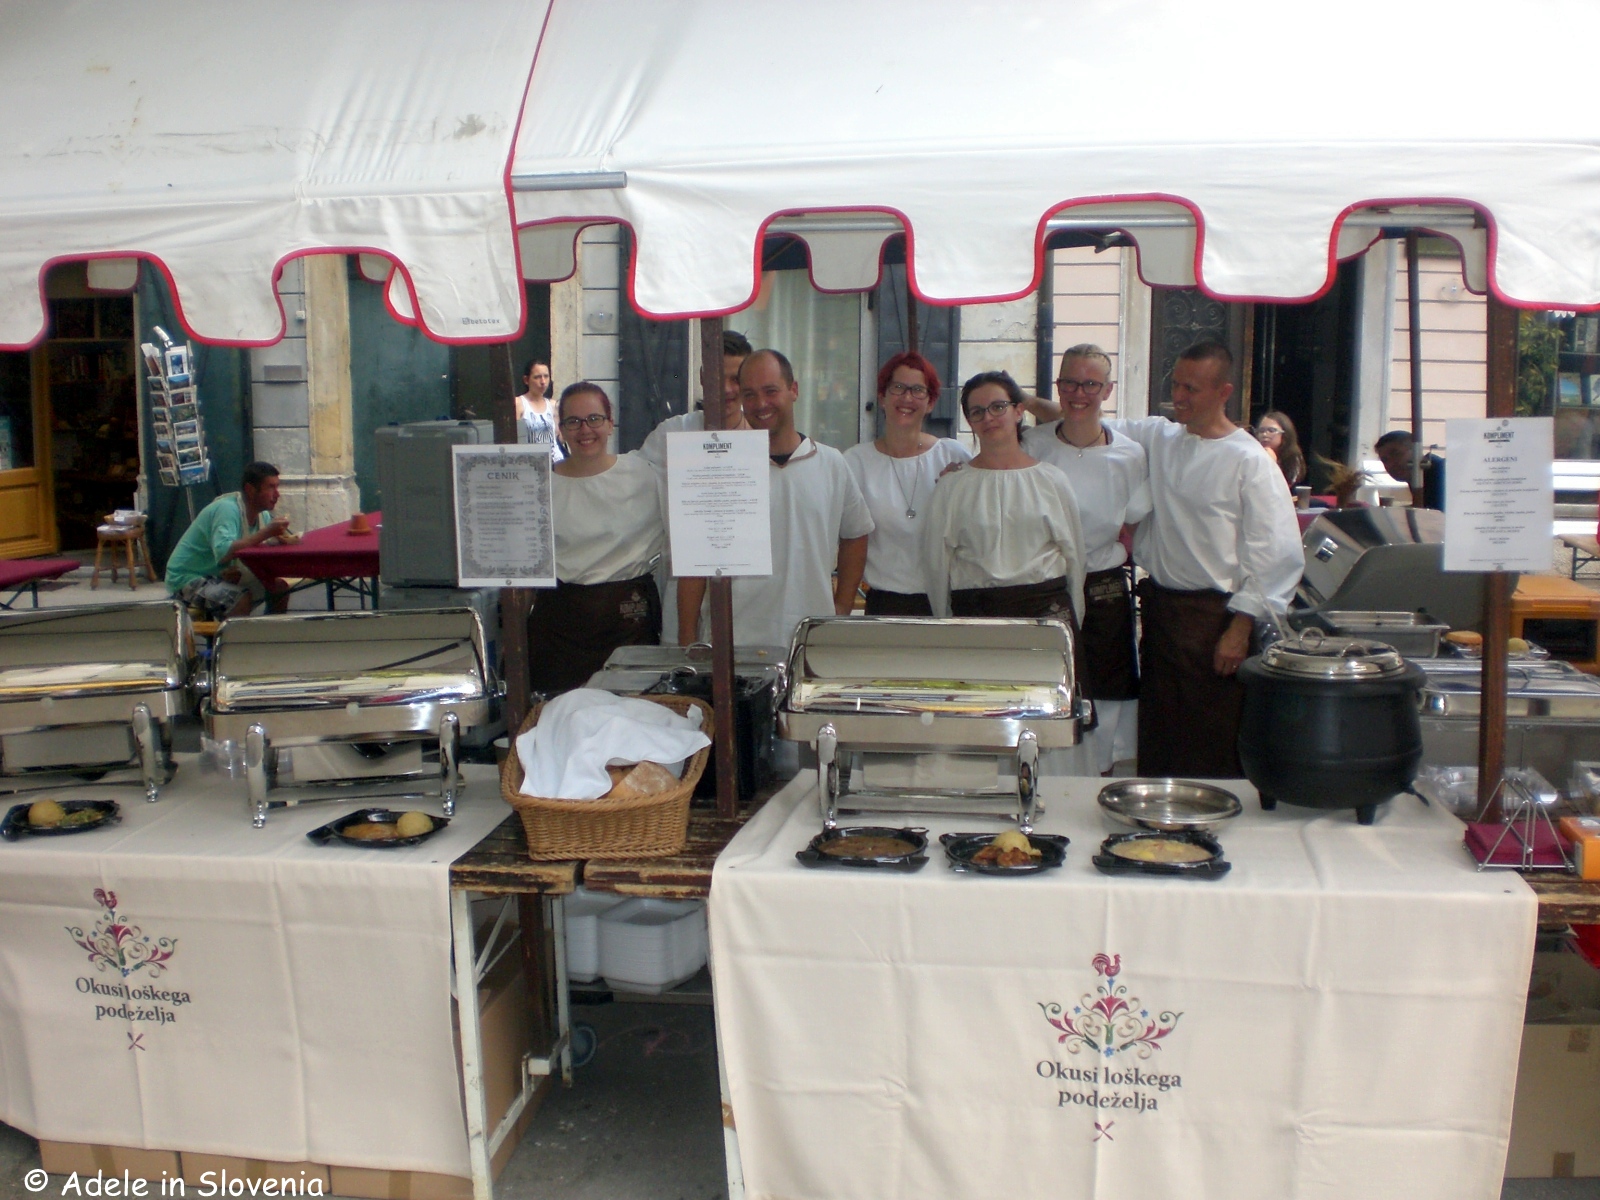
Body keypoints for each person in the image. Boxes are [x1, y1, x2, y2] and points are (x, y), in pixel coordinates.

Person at [1107, 341, 1303, 778]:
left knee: (1213, 740)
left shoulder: (1249, 460)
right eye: (1176, 385)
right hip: (1163, 615)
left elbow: (1275, 554)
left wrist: (1240, 628)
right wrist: (1023, 404)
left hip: (1217, 619)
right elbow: (1085, 424)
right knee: (1161, 737)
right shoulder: (1161, 437)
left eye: (1191, 389)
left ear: (1223, 392)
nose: (1178, 396)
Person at [676, 349, 872, 650]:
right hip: (733, 645)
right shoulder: (719, 467)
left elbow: (856, 533)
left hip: (810, 642)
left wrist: (842, 606)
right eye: (750, 394)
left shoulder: (831, 463)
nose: (761, 404)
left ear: (793, 390)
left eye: (771, 391)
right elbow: (695, 564)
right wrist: (687, 640)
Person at [1021, 345, 1150, 774]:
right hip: (1046, 582)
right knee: (1049, 687)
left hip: (1103, 581)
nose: (1079, 393)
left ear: (1108, 390)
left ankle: (1102, 776)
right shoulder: (1032, 444)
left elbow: (1134, 519)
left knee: (1107, 687)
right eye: (1070, 383)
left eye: (1090, 384)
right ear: (1058, 386)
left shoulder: (1130, 454)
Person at [528, 383, 665, 695]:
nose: (584, 429)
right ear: (561, 429)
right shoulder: (539, 486)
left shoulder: (644, 474)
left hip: (628, 621)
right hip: (559, 626)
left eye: (594, 419)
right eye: (573, 421)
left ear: (610, 423)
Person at [922, 371, 1086, 628]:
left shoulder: (1052, 481)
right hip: (976, 616)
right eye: (978, 412)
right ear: (970, 421)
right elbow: (937, 566)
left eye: (998, 407)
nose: (988, 417)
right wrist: (946, 625)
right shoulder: (952, 487)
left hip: (1046, 612)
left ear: (1018, 411)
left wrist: (1073, 624)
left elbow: (1075, 559)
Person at [843, 351, 972, 614]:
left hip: (949, 603)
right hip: (885, 604)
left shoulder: (953, 456)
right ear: (882, 397)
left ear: (931, 402)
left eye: (918, 390)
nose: (907, 398)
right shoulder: (856, 462)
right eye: (898, 388)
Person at [164, 461, 298, 618]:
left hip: (220, 576)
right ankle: (235, 634)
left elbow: (259, 547)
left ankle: (269, 631)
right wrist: (266, 533)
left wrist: (277, 542)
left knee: (279, 588)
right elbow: (223, 552)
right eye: (270, 487)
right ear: (250, 490)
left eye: (277, 487)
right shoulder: (227, 510)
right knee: (239, 598)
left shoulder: (263, 515)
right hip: (188, 578)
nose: (277, 494)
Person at [640, 331, 753, 469]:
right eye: (718, 378)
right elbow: (635, 473)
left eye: (736, 379)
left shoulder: (760, 436)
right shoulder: (672, 433)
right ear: (702, 377)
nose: (726, 389)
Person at [1374, 429, 1445, 509]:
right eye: (1385, 460)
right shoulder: (1418, 478)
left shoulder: (1441, 472)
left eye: (1396, 454)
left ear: (1416, 450)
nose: (1391, 464)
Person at [515, 359, 564, 463]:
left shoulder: (553, 405)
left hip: (556, 461)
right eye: (537, 377)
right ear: (526, 380)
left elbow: (559, 437)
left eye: (546, 376)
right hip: (530, 462)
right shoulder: (519, 403)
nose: (543, 382)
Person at [1255, 410, 1305, 488]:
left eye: (1271, 430)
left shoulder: (1293, 457)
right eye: (1261, 431)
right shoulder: (1252, 455)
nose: (1264, 434)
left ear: (1285, 434)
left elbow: (1283, 487)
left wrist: (1272, 463)